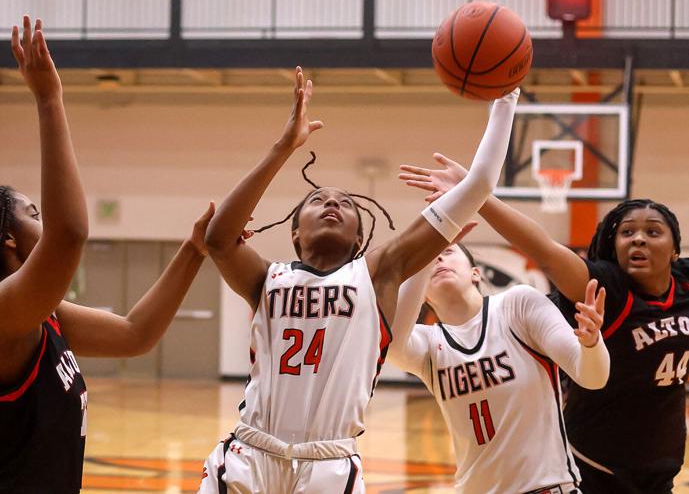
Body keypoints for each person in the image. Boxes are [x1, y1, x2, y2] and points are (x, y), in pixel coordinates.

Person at [0, 17, 213, 493]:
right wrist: (48, 98)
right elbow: (70, 233)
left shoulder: (40, 313)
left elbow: (136, 334)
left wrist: (193, 251)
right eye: (33, 214)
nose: (44, 223)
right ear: (7, 238)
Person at [198, 66, 520, 493]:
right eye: (317, 200)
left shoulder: (377, 273)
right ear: (294, 231)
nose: (332, 202)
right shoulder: (266, 277)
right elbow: (217, 238)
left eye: (346, 204)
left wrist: (505, 98)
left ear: (359, 237)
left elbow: (479, 185)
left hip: (329, 464)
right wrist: (283, 147)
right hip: (249, 455)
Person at [400, 155, 689, 493]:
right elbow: (546, 252)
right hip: (595, 463)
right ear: (614, 246)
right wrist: (476, 194)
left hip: (660, 463)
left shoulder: (684, 285)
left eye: (652, 231)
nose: (638, 239)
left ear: (674, 250)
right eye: (627, 232)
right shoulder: (604, 288)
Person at [388, 242, 609, 493]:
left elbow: (593, 377)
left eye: (447, 252)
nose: (437, 260)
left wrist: (592, 343)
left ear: (475, 273)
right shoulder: (428, 344)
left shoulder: (517, 306)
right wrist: (422, 255)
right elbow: (392, 344)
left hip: (546, 488)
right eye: (430, 257)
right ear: (422, 294)